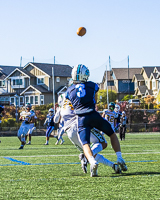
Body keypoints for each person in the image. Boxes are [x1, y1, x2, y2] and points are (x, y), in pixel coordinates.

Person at [66, 64, 127, 177]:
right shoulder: (92, 85)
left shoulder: (69, 90)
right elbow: (94, 100)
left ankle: (92, 162)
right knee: (112, 134)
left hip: (81, 119)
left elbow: (72, 104)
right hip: (93, 115)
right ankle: (119, 158)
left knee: (85, 144)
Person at [55, 93, 121, 175]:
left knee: (90, 152)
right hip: (80, 126)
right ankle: (86, 157)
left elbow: (55, 120)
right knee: (103, 143)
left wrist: (59, 110)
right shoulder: (76, 100)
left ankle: (112, 166)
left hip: (69, 133)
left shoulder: (61, 108)